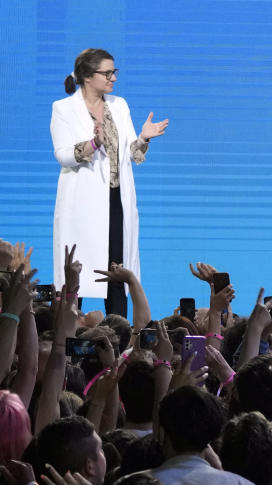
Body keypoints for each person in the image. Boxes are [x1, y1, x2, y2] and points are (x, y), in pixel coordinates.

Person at [50, 48, 168, 316]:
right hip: (82, 204)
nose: (113, 78)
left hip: (117, 201)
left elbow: (129, 152)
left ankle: (120, 336)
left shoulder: (119, 105)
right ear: (88, 76)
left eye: (114, 72)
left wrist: (143, 138)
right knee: (76, 274)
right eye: (107, 73)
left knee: (116, 270)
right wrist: (93, 143)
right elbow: (63, 155)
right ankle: (67, 337)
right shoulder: (64, 109)